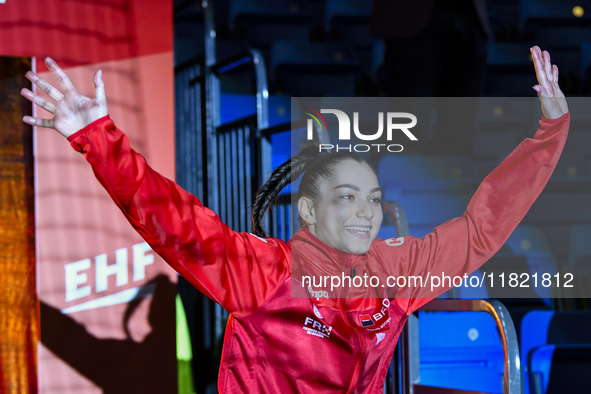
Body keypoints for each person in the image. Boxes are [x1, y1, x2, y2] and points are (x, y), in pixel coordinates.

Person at [22, 46, 569, 393]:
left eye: (373, 198)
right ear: (308, 210)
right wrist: (96, 136)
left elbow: (481, 228)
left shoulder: (399, 272)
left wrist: (550, 131)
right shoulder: (264, 272)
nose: (365, 212)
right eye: (346, 197)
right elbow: (173, 222)